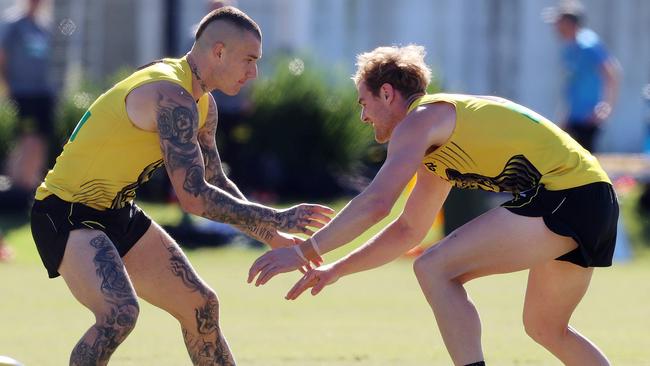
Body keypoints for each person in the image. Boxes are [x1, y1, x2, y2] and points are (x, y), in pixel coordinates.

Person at [248, 45, 618, 366]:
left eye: (365, 103)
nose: (363, 116)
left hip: (569, 195)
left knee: (434, 267)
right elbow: (408, 229)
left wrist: (303, 252)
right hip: (595, 199)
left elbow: (378, 202)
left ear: (388, 93)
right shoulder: (436, 144)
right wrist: (335, 269)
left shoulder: (420, 120)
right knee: (545, 328)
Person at [30, 7, 333, 365]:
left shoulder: (203, 104)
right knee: (119, 313)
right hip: (64, 212)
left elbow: (215, 182)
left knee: (201, 307)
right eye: (249, 60)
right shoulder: (171, 96)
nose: (254, 73)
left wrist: (269, 234)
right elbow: (194, 197)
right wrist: (279, 218)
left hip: (117, 212)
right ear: (218, 51)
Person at [0, 0, 56, 194]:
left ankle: (32, 186)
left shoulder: (43, 26)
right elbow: (2, 54)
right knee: (28, 139)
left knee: (40, 140)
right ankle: (17, 188)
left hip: (42, 92)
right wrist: (5, 86)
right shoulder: (14, 24)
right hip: (22, 92)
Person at [551, 1, 619, 152]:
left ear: (569, 23)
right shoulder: (569, 47)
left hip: (588, 119)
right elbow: (572, 82)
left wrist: (606, 106)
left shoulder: (589, 45)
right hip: (573, 118)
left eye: (558, 22)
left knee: (585, 163)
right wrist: (565, 114)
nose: (555, 27)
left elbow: (612, 72)